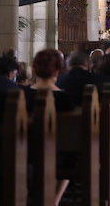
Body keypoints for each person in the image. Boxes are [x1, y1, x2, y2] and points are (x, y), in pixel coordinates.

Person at [29, 49, 75, 205]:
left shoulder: (23, 94)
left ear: (34, 68)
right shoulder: (64, 98)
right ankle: (54, 200)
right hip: (58, 152)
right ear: (58, 69)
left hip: (26, 149)